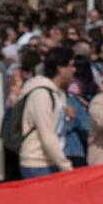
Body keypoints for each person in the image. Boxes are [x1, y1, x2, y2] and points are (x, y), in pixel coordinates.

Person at [15, 46, 74, 178]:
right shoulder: (41, 94)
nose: (73, 70)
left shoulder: (60, 93)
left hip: (53, 161)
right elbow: (47, 135)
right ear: (60, 68)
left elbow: (57, 128)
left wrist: (67, 118)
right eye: (70, 66)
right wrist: (67, 167)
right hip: (38, 165)